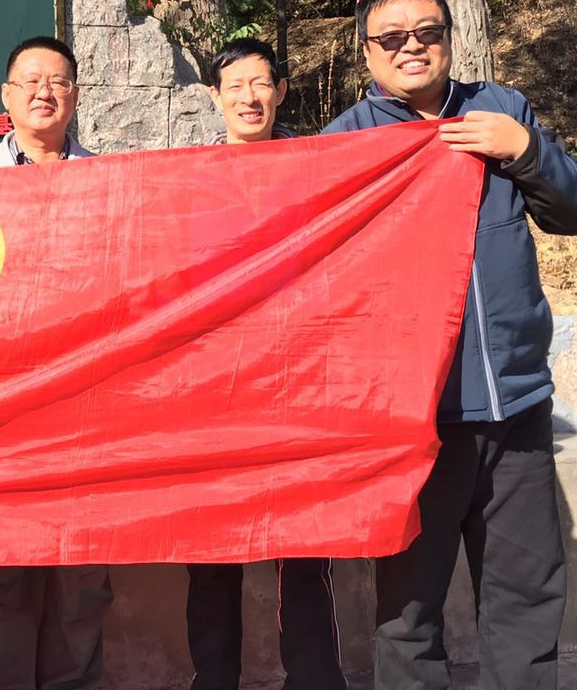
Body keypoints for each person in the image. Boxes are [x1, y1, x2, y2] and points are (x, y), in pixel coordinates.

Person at [322, 0, 577, 690]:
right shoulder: (345, 142)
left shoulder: (500, 109)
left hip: (515, 405)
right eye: (392, 38)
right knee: (408, 611)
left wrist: (524, 149)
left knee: (525, 598)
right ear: (367, 52)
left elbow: (576, 212)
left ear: (449, 38)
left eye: (428, 32)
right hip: (412, 418)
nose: (411, 47)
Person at [185, 38, 347, 690]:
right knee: (210, 557)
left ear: (280, 91)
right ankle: (213, 680)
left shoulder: (321, 169)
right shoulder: (187, 179)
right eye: (234, 86)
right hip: (213, 391)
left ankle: (314, 679)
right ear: (215, 97)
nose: (248, 98)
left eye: (260, 84)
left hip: (296, 384)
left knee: (303, 554)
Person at [0, 35, 112, 690]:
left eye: (58, 81)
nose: (44, 92)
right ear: (6, 96)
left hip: (86, 406)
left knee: (82, 574)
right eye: (30, 81)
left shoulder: (111, 182)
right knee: (0, 573)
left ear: (75, 94)